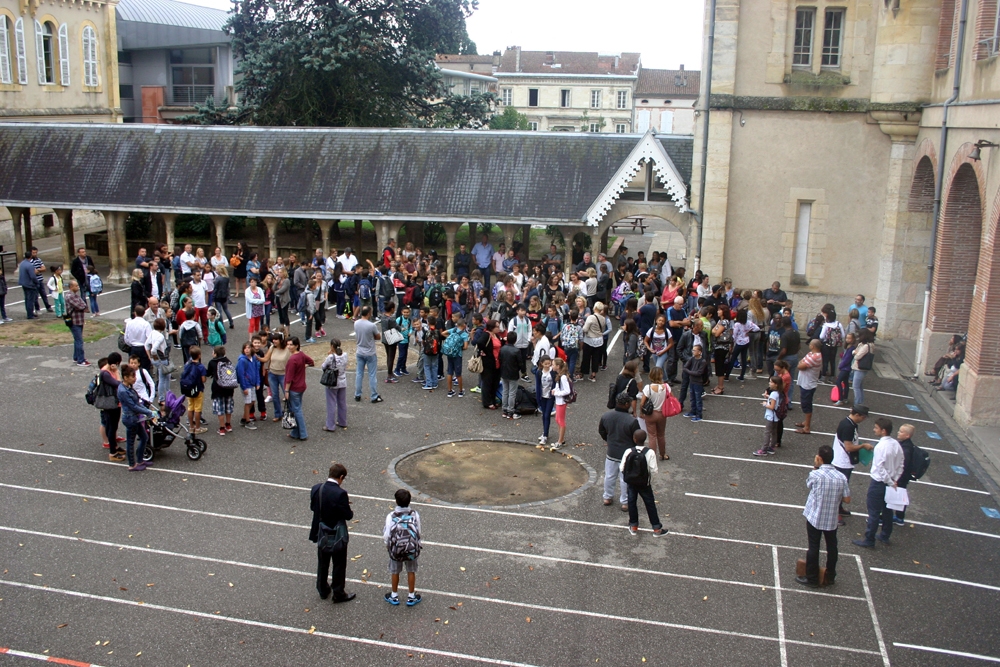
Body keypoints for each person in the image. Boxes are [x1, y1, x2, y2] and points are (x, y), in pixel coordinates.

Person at [797, 444, 850, 588]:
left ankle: (812, 578)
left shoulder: (816, 475)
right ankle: (831, 575)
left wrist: (815, 467)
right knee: (832, 546)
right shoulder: (841, 477)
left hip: (815, 516)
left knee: (814, 546)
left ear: (819, 458)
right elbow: (847, 499)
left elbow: (809, 485)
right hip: (831, 518)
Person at [853, 417, 904, 549]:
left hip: (879, 483)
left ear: (883, 431)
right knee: (887, 510)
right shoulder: (896, 444)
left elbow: (880, 468)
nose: (874, 429)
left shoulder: (880, 446)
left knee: (874, 512)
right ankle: (885, 535)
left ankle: (869, 539)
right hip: (891, 481)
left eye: (876, 428)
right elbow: (901, 464)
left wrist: (889, 481)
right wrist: (894, 480)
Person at [309, 463, 355, 603]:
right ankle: (338, 592)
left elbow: (313, 507)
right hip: (336, 534)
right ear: (341, 477)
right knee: (339, 563)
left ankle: (322, 589)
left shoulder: (317, 488)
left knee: (322, 562)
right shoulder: (340, 493)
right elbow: (347, 515)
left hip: (321, 531)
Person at [599, 391, 641, 511]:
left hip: (611, 452)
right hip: (627, 454)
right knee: (625, 479)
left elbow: (601, 431)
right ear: (627, 404)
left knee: (609, 476)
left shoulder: (606, 416)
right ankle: (625, 502)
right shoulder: (632, 421)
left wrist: (608, 440)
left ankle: (607, 497)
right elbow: (637, 437)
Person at [620, 430, 665, 537]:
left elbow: (622, 467)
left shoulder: (628, 451)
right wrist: (649, 481)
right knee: (650, 504)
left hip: (632, 482)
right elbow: (654, 470)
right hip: (644, 483)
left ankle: (633, 526)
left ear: (634, 439)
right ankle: (656, 528)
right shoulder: (650, 453)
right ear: (645, 440)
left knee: (631, 502)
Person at [383, 488, 423, 607]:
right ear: (409, 501)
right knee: (411, 571)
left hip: (396, 550)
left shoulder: (391, 516)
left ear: (396, 501)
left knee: (395, 571)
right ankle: (411, 596)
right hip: (411, 549)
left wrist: (388, 546)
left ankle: (394, 595)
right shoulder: (414, 514)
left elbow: (387, 535)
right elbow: (418, 531)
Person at [831, 405, 871, 522]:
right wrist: (863, 446)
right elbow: (848, 447)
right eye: (863, 417)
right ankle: (835, 513)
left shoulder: (849, 423)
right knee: (839, 489)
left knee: (841, 488)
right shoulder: (848, 427)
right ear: (857, 415)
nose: (863, 420)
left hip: (843, 461)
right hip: (842, 462)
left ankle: (839, 508)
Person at [117, 365, 158, 472]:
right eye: (132, 376)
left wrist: (147, 409)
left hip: (135, 418)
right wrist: (148, 412)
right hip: (130, 419)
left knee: (144, 437)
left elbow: (137, 403)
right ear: (125, 377)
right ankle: (132, 465)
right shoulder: (123, 391)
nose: (134, 378)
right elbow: (133, 406)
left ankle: (140, 460)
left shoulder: (129, 388)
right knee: (130, 442)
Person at [284, 336, 314, 440]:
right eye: (288, 344)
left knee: (296, 410)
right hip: (301, 386)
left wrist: (286, 390)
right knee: (296, 409)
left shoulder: (292, 359)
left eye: (291, 344)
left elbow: (289, 377)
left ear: (296, 345)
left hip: (294, 388)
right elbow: (311, 361)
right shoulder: (301, 355)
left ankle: (303, 433)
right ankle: (295, 432)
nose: (289, 346)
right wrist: (304, 366)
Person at [354, 306, 383, 403]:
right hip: (370, 352)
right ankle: (374, 396)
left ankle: (357, 394)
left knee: (359, 374)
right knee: (372, 375)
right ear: (368, 313)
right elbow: (378, 337)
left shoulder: (356, 323)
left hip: (360, 351)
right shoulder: (372, 325)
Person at [640, 367, 670, 460]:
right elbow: (670, 398)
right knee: (661, 435)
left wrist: (641, 412)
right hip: (662, 414)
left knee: (652, 436)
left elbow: (642, 403)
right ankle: (663, 454)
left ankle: (652, 457)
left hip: (650, 414)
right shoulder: (666, 387)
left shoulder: (648, 388)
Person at [794, 339, 823, 434]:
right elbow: (802, 361)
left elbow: (801, 366)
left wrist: (800, 364)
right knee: (805, 403)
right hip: (805, 382)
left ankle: (807, 427)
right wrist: (801, 363)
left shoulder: (815, 357)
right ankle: (806, 422)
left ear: (813, 346)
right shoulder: (812, 354)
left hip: (808, 384)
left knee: (806, 405)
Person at [206, 345, 236, 436]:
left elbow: (208, 373)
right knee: (228, 407)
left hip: (218, 388)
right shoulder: (228, 361)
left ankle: (222, 428)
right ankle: (228, 424)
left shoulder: (212, 362)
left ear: (215, 354)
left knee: (220, 409)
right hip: (229, 388)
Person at [321, 339, 349, 432]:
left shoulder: (331, 357)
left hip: (333, 382)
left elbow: (323, 367)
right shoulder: (345, 355)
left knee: (331, 403)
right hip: (343, 380)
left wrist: (328, 355)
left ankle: (330, 425)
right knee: (342, 402)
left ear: (331, 346)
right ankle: (342, 421)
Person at [753, 375, 784, 457]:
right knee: (774, 432)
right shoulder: (778, 393)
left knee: (767, 433)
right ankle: (772, 447)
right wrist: (768, 397)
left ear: (776, 384)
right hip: (776, 417)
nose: (769, 383)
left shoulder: (774, 394)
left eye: (771, 382)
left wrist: (765, 404)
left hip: (771, 416)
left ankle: (764, 449)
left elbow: (772, 406)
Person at [180, 346, 208, 435]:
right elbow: (203, 379)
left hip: (188, 389)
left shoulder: (187, 364)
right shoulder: (200, 367)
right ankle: (198, 428)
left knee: (190, 407)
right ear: (199, 356)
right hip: (198, 389)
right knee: (197, 409)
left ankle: (191, 427)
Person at [894, 424, 917, 524]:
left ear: (907, 435)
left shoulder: (906, 448)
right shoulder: (906, 444)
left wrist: (896, 478)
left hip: (901, 477)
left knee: (898, 495)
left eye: (901, 432)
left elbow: (903, 464)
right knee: (899, 495)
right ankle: (899, 517)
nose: (898, 433)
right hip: (903, 476)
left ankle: (899, 518)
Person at [476, 320, 502, 410]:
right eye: (497, 327)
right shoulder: (486, 335)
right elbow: (479, 343)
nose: (499, 328)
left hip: (497, 363)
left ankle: (493, 400)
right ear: (492, 328)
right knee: (487, 382)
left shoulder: (497, 336)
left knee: (495, 382)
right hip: (488, 363)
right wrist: (486, 352)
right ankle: (487, 402)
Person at [64, 279, 90, 366]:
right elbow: (80, 305)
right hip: (74, 321)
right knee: (79, 341)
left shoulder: (75, 295)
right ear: (71, 287)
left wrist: (83, 306)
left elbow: (83, 303)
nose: (78, 287)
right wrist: (83, 307)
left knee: (77, 340)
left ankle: (76, 357)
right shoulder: (70, 296)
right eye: (76, 286)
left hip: (79, 320)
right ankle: (81, 360)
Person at [442, 317, 469, 397]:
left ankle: (450, 391)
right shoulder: (464, 334)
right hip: (458, 355)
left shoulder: (453, 330)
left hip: (449, 353)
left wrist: (450, 340)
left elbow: (443, 333)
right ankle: (460, 391)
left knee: (450, 372)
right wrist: (458, 346)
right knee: (458, 373)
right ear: (464, 325)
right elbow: (465, 347)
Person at [236, 341, 260, 430]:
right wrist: (244, 387)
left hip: (253, 384)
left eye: (249, 348)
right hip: (246, 384)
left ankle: (243, 418)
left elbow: (256, 370)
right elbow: (241, 374)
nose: (247, 350)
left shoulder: (253, 358)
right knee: (248, 402)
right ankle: (247, 421)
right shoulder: (242, 360)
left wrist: (258, 382)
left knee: (252, 401)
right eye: (245, 348)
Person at [682, 345, 708, 422]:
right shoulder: (692, 359)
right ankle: (693, 411)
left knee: (698, 399)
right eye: (693, 350)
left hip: (698, 382)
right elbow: (685, 367)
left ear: (699, 352)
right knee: (692, 398)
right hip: (692, 381)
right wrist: (692, 373)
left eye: (694, 350)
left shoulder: (703, 362)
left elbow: (699, 373)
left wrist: (690, 372)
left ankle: (699, 414)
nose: (693, 352)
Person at [124, 305, 153, 372]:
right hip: (144, 348)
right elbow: (149, 338)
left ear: (135, 313)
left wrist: (130, 344)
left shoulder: (129, 323)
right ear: (144, 313)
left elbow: (126, 337)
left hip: (133, 348)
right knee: (145, 369)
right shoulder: (146, 324)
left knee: (133, 368)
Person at [500, 331, 522, 418]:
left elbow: (500, 359)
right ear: (515, 340)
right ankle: (510, 410)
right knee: (512, 393)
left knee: (505, 391)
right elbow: (520, 363)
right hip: (513, 373)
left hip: (504, 372)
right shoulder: (517, 351)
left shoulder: (502, 349)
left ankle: (504, 409)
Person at [851, 329, 875, 406]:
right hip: (863, 367)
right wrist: (855, 352)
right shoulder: (869, 344)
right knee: (859, 386)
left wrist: (855, 352)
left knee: (856, 387)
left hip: (859, 367)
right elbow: (855, 351)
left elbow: (857, 356)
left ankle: (857, 404)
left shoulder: (865, 346)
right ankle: (860, 403)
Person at [18, 252, 39, 319]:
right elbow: (33, 276)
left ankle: (29, 313)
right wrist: (37, 282)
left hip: (24, 283)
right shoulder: (30, 265)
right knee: (30, 300)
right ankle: (30, 315)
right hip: (29, 284)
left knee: (27, 299)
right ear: (30, 256)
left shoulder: (22, 263)